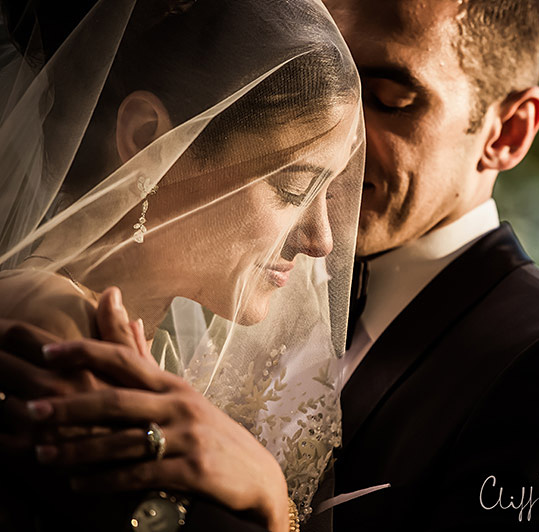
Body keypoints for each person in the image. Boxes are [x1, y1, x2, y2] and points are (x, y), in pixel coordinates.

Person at [1, 0, 539, 531]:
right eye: (300, 75)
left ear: (507, 131)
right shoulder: (163, 302)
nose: (341, 135)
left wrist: (273, 507)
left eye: (386, 99)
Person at [0, 0, 364, 531]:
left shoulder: (149, 346)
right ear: (148, 138)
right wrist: (267, 490)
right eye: (292, 188)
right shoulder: (60, 334)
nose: (321, 241)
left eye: (328, 193)